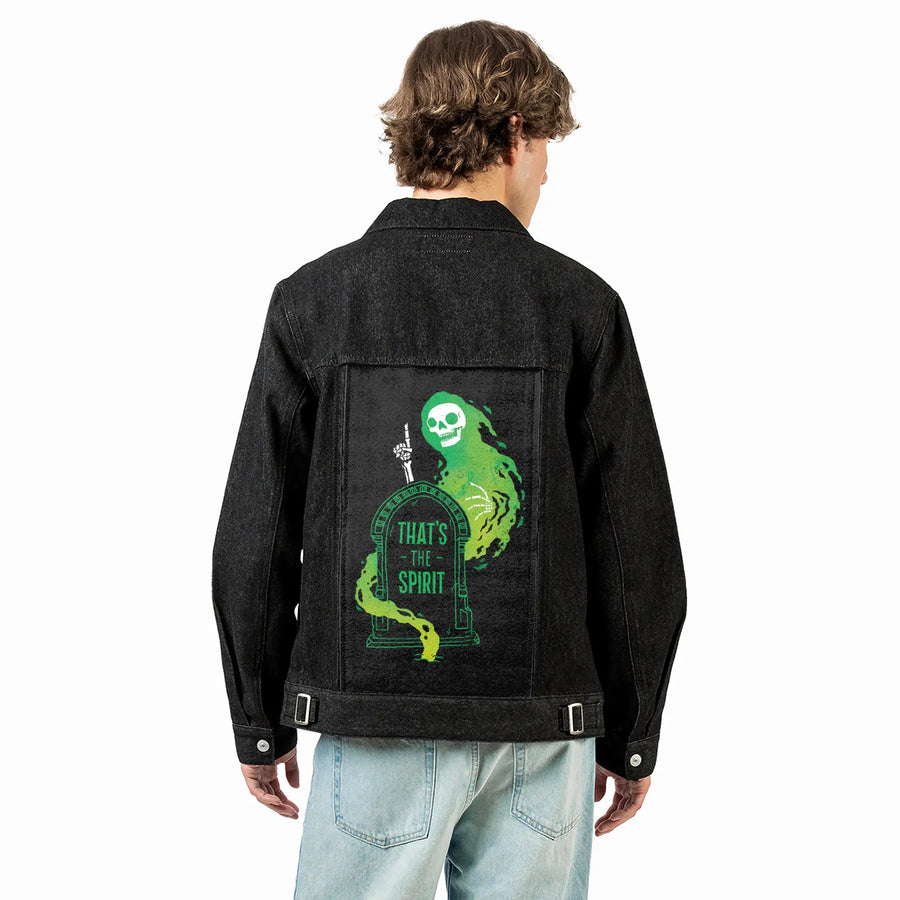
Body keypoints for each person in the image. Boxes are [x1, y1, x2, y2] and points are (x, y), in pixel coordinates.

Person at [211, 19, 687, 899]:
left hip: (371, 721)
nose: (547, 172)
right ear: (514, 134)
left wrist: (258, 717)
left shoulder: (314, 301)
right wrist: (632, 732)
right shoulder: (581, 307)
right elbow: (636, 548)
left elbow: (254, 532)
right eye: (545, 146)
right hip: (543, 734)